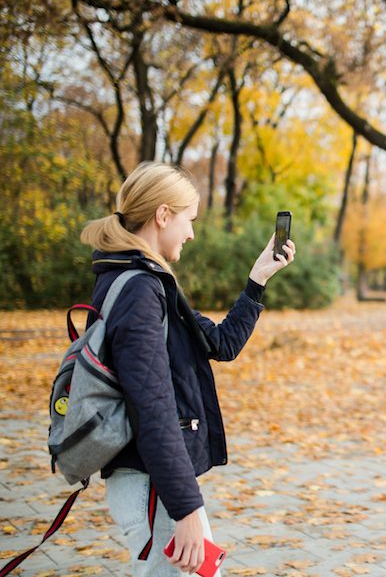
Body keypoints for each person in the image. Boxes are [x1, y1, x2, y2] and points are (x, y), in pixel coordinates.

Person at [79, 162, 295, 575]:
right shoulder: (139, 290)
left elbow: (220, 343)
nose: (192, 233)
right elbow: (154, 407)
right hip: (150, 484)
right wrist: (187, 509)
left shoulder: (145, 281)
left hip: (154, 482)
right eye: (188, 220)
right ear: (163, 215)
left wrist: (258, 278)